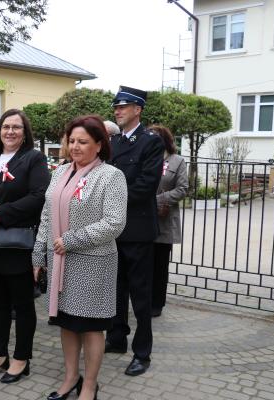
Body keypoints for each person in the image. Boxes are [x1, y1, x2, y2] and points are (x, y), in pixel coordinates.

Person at [33, 115, 127, 400]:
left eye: (83, 142)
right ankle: (71, 378)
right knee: (67, 323)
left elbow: (114, 222)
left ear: (99, 144)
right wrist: (39, 253)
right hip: (60, 262)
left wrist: (72, 240)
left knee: (90, 327)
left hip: (93, 263)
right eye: (71, 140)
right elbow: (46, 214)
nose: (75, 146)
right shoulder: (60, 172)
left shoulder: (111, 176)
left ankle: (90, 385)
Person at [0, 109, 50, 384]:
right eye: (6, 126)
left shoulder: (33, 158)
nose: (10, 131)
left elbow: (39, 196)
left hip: (16, 244)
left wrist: (0, 214)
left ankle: (21, 358)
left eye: (16, 127)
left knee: (22, 304)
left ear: (25, 132)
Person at [105, 86, 164, 377]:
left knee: (140, 295)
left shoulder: (151, 142)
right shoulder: (113, 141)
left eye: (123, 107)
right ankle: (116, 338)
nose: (117, 111)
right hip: (113, 229)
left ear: (137, 110)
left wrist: (108, 200)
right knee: (115, 290)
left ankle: (142, 352)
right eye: (116, 107)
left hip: (137, 230)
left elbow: (146, 185)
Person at [148, 125, 188, 317]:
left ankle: (157, 303)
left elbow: (182, 189)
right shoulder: (145, 159)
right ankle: (142, 299)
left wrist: (156, 200)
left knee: (160, 265)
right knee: (142, 264)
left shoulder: (177, 161)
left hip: (164, 220)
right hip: (142, 220)